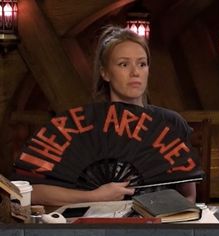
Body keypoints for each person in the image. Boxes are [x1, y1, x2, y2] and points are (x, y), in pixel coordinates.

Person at [21, 25, 196, 206]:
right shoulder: (82, 126)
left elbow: (189, 197)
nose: (135, 72)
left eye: (142, 64)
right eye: (124, 64)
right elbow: (31, 192)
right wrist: (94, 197)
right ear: (105, 73)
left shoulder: (170, 124)